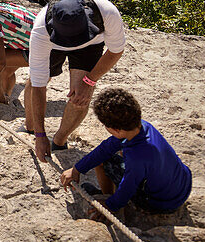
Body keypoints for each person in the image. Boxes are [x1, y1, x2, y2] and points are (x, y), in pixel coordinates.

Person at [26, 0, 127, 160]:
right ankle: (30, 127)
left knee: (80, 97)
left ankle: (59, 140)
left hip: (91, 43)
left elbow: (116, 50)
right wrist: (40, 135)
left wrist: (89, 81)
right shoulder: (41, 31)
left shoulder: (105, 11)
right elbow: (39, 84)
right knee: (36, 80)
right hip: (54, 45)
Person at [60, 89, 192, 217]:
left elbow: (128, 187)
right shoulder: (143, 126)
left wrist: (110, 205)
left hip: (163, 203)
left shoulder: (137, 157)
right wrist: (77, 169)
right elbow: (106, 148)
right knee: (108, 156)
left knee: (104, 162)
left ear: (116, 130)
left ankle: (107, 197)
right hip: (182, 186)